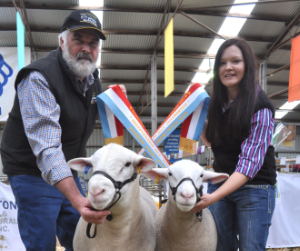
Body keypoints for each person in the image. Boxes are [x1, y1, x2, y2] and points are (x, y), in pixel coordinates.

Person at [0, 9, 126, 251]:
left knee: (83, 239)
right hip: (31, 171)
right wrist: (78, 199)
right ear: (61, 40)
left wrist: (117, 102)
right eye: (78, 40)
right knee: (42, 243)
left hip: (67, 170)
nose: (86, 49)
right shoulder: (39, 78)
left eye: (93, 43)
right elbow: (47, 148)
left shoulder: (91, 79)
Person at [191, 38, 276, 251]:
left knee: (251, 247)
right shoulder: (217, 103)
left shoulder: (261, 107)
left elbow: (249, 165)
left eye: (235, 61)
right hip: (222, 183)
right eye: (222, 62)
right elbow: (213, 142)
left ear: (247, 66)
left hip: (255, 188)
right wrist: (197, 117)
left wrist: (212, 197)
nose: (228, 67)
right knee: (220, 246)